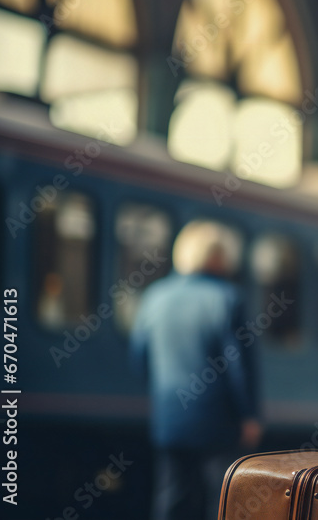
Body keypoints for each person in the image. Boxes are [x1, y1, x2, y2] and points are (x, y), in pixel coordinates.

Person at [131, 220, 261, 520]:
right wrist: (249, 415)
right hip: (219, 421)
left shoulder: (155, 296)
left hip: (170, 418)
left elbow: (139, 358)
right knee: (223, 500)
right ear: (216, 257)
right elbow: (239, 366)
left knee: (172, 497)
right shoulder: (228, 298)